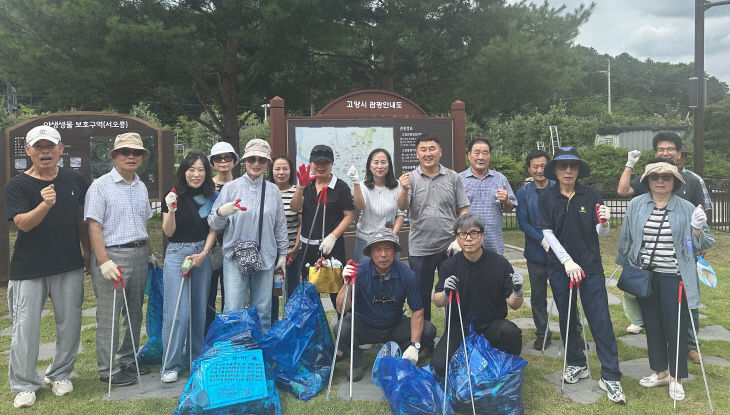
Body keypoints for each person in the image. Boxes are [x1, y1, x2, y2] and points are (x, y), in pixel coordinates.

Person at [5, 126, 90, 408]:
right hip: (29, 267)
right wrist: (44, 204)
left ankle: (60, 374)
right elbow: (23, 224)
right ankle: (25, 384)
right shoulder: (16, 185)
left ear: (61, 150)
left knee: (70, 324)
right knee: (25, 329)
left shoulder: (74, 178)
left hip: (68, 264)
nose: (45, 151)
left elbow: (81, 218)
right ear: (28, 150)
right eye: (38, 147)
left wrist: (87, 251)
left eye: (50, 146)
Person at [616, 158, 714, 401]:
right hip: (645, 276)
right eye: (655, 177)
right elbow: (627, 238)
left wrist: (697, 229)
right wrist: (625, 267)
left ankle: (676, 377)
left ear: (674, 181)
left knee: (676, 327)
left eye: (666, 177)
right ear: (647, 180)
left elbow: (704, 244)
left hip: (675, 277)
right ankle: (660, 372)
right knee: (652, 325)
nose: (660, 181)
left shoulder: (687, 207)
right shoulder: (637, 204)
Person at [538, 147, 625, 404]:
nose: (567, 171)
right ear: (555, 170)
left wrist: (606, 223)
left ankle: (610, 374)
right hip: (560, 267)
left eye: (572, 167)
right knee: (566, 317)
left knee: (600, 318)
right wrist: (566, 261)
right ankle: (576, 362)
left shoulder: (592, 194)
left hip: (590, 266)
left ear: (578, 170)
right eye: (562, 166)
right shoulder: (546, 196)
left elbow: (601, 232)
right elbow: (547, 232)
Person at [617, 131, 706, 363]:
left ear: (679, 153)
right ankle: (659, 358)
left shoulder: (693, 182)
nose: (665, 153)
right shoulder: (649, 178)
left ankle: (689, 345)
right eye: (660, 149)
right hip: (649, 267)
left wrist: (698, 239)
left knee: (685, 307)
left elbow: (700, 221)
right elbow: (624, 195)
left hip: (680, 260)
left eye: (670, 149)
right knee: (652, 310)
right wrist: (630, 164)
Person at [85, 132, 155, 387]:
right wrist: (103, 260)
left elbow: (144, 222)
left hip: (138, 253)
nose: (131, 156)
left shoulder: (141, 185)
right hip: (112, 255)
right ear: (114, 156)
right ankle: (108, 369)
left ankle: (127, 358)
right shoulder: (100, 186)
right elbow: (93, 225)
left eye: (136, 153)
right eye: (125, 152)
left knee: (135, 311)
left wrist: (149, 253)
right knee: (109, 314)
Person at [335, 228, 437, 381]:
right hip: (364, 324)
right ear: (370, 253)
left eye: (388, 249)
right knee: (341, 329)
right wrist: (347, 284)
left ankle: (405, 355)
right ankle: (357, 360)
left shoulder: (407, 274)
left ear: (395, 251)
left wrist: (415, 345)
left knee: (428, 330)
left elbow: (417, 311)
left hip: (394, 325)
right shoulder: (360, 271)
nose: (383, 254)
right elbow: (341, 307)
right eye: (377, 250)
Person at [208, 139, 288, 331]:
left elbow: (279, 223)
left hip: (265, 255)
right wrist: (221, 212)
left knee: (263, 308)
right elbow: (213, 222)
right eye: (252, 159)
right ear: (245, 161)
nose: (256, 164)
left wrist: (283, 253)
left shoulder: (273, 190)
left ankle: (261, 351)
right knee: (233, 307)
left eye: (262, 160)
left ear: (267, 163)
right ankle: (232, 351)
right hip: (235, 256)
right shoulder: (230, 188)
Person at [431, 214, 524, 377]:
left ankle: (506, 370)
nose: (468, 239)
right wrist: (445, 292)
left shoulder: (500, 263)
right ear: (457, 238)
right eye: (462, 234)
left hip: (491, 325)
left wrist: (517, 291)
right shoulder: (449, 265)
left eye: (473, 233)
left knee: (511, 333)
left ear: (482, 236)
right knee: (439, 367)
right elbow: (438, 301)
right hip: (459, 326)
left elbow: (514, 304)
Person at [397, 135, 470, 321]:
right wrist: (404, 189)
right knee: (420, 296)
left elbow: (463, 208)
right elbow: (402, 206)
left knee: (454, 291)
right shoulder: (409, 178)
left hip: (449, 246)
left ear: (440, 152)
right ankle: (424, 341)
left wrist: (460, 237)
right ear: (417, 153)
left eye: (432, 148)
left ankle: (453, 336)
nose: (427, 153)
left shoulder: (452, 177)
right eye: (423, 149)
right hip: (420, 247)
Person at [160, 152, 218, 383]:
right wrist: (171, 210)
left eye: (201, 169)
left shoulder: (212, 196)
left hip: (202, 254)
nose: (196, 174)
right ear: (184, 171)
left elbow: (214, 228)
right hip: (177, 254)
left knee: (198, 310)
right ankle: (170, 364)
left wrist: (204, 253)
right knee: (178, 312)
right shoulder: (173, 195)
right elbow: (168, 232)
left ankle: (196, 359)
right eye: (191, 169)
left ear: (207, 172)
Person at [290, 144, 356, 309]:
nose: (321, 167)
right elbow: (295, 207)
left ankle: (343, 327)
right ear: (311, 163)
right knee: (310, 294)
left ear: (331, 164)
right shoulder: (307, 185)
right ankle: (314, 331)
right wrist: (300, 187)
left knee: (337, 292)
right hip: (308, 248)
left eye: (325, 163)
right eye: (317, 163)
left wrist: (333, 236)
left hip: (332, 247)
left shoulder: (341, 187)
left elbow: (350, 215)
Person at [516, 150, 556, 349]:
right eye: (535, 166)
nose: (540, 170)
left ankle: (572, 332)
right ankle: (542, 332)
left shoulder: (559, 188)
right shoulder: (524, 192)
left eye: (543, 166)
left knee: (564, 293)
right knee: (538, 295)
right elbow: (523, 222)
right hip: (535, 252)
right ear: (529, 169)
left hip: (560, 252)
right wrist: (542, 240)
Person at [458, 138, 516, 255]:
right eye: (477, 152)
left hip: (493, 242)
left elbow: (510, 209)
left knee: (494, 272)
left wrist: (506, 200)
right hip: (468, 241)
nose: (481, 157)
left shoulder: (500, 178)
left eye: (485, 153)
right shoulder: (459, 179)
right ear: (469, 155)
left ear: (489, 156)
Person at [347, 148, 405, 263]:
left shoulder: (398, 185)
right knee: (365, 277)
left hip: (390, 241)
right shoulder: (363, 186)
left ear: (389, 165)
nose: (379, 166)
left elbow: (401, 213)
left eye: (383, 162)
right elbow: (361, 206)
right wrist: (356, 183)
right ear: (369, 166)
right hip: (366, 240)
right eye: (375, 162)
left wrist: (392, 236)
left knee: (391, 277)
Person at [204, 142, 239, 332]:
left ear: (234, 160)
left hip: (234, 248)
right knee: (208, 295)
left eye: (228, 157)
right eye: (219, 158)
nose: (224, 161)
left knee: (232, 296)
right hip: (210, 248)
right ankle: (208, 336)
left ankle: (229, 336)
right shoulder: (205, 186)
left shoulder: (241, 185)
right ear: (212, 162)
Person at [269, 155, 302, 320]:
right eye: (277, 168)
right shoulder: (266, 191)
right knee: (271, 291)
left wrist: (296, 247)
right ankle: (273, 323)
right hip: (270, 252)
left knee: (292, 289)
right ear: (272, 170)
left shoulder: (297, 191)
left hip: (292, 251)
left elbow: (301, 222)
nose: (281, 172)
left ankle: (291, 324)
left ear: (291, 171)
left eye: (285, 168)